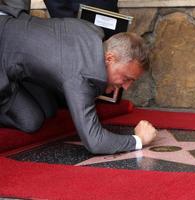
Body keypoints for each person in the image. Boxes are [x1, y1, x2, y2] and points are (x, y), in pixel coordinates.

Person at [0, 1, 157, 154]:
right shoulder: (82, 75)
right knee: (30, 121)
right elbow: (95, 142)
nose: (126, 87)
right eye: (126, 78)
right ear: (109, 58)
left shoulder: (93, 32)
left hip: (11, 38)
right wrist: (138, 140)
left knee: (47, 110)